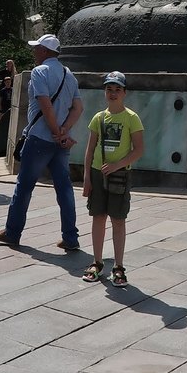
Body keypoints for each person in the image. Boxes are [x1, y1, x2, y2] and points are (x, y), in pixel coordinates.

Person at [0, 33, 82, 252]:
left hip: (40, 137)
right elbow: (78, 108)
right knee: (64, 188)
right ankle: (70, 237)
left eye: (36, 48)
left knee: (24, 186)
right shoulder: (69, 75)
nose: (33, 51)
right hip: (60, 142)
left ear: (44, 51)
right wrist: (63, 132)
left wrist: (54, 130)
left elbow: (45, 104)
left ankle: (12, 232)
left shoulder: (40, 72)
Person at [81, 72, 145, 287]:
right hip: (99, 174)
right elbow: (89, 151)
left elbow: (139, 149)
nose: (113, 93)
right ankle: (97, 262)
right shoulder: (98, 118)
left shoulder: (131, 118)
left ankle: (118, 266)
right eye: (109, 89)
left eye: (117, 89)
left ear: (125, 93)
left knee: (118, 220)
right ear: (104, 92)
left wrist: (118, 165)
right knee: (98, 217)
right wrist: (87, 179)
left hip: (119, 174)